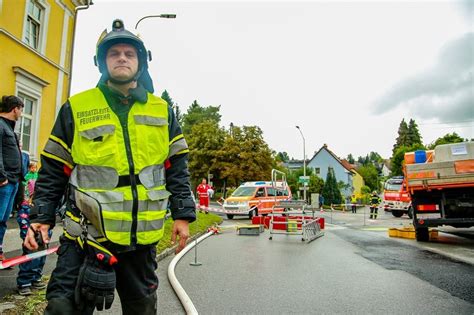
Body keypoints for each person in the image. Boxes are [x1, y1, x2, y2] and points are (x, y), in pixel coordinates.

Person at [24, 19, 196, 314]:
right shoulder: (76, 108)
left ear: (141, 62)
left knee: (141, 310)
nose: (122, 58)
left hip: (139, 242)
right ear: (102, 62)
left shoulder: (161, 111)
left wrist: (183, 215)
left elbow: (176, 168)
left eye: (129, 53)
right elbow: (54, 169)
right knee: (62, 309)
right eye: (114, 53)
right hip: (85, 238)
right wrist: (42, 218)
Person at [17, 161, 49, 295]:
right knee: (31, 248)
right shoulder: (27, 181)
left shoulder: (45, 183)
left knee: (43, 249)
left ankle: (36, 276)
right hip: (28, 215)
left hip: (44, 218)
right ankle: (25, 280)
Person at [0, 95, 24, 261]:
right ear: (15, 108)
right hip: (4, 182)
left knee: (3, 222)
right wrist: (2, 177)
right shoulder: (1, 126)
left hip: (13, 182)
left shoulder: (9, 128)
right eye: (21, 110)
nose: (21, 113)